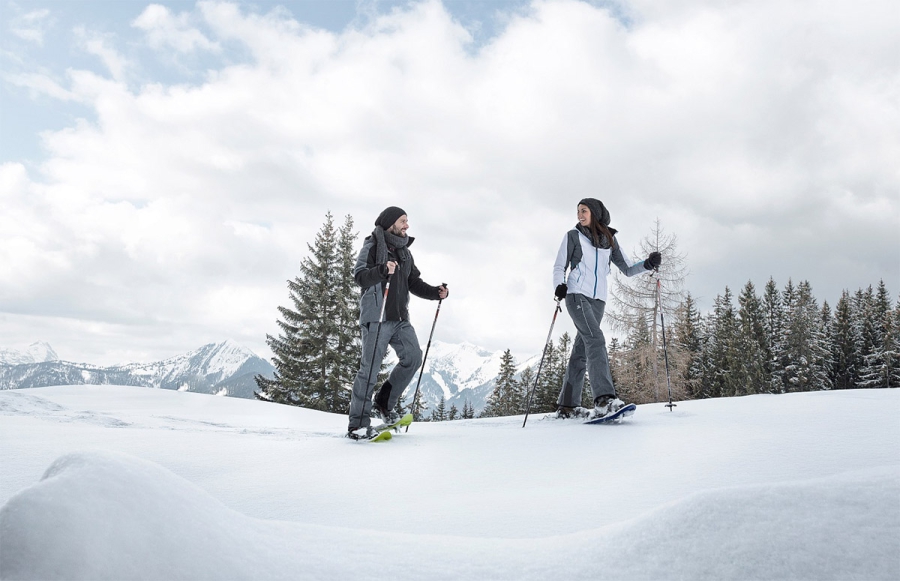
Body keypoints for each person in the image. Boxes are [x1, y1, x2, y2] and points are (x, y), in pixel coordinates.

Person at [552, 198, 661, 419]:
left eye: (584, 211)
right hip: (576, 295)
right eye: (578, 212)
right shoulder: (572, 236)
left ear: (595, 213)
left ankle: (567, 406)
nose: (580, 215)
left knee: (581, 351)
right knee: (596, 340)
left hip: (598, 300)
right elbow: (559, 266)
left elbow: (628, 269)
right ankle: (604, 400)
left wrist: (648, 264)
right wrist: (559, 286)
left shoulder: (609, 240)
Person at [347, 206, 449, 439]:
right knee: (369, 370)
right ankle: (357, 425)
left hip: (400, 319)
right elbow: (360, 276)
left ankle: (384, 402)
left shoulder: (405, 253)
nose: (407, 225)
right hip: (377, 317)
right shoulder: (372, 246)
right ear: (391, 222)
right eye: (403, 221)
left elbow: (414, 281)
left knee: (413, 358)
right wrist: (382, 270)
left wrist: (436, 292)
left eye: (407, 221)